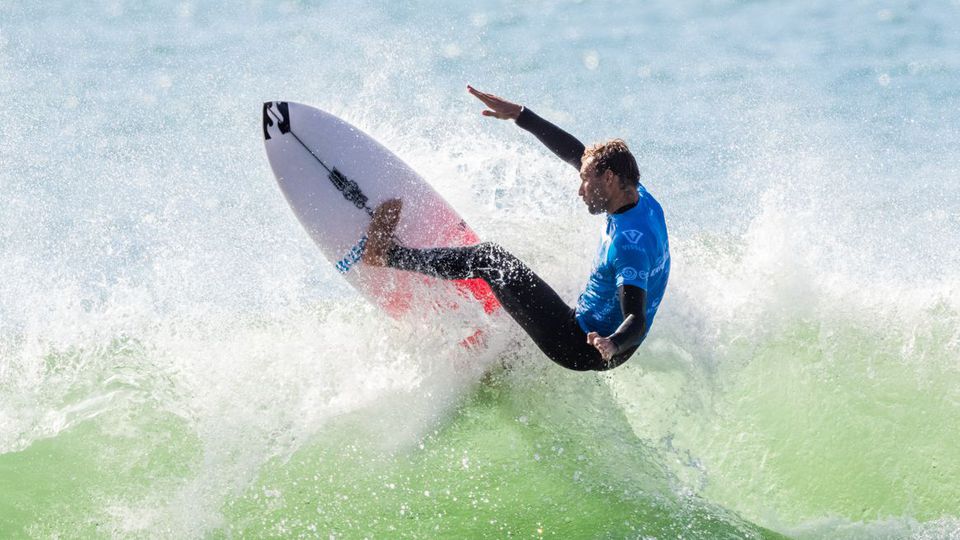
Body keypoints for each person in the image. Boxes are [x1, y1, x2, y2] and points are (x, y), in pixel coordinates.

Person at [363, 85, 670, 371]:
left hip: (579, 342)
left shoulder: (628, 248)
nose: (580, 190)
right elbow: (576, 152)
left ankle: (388, 255)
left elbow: (635, 317)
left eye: (585, 182)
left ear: (609, 179)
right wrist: (521, 115)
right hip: (609, 338)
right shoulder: (637, 195)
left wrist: (611, 343)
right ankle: (510, 351)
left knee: (488, 258)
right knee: (523, 289)